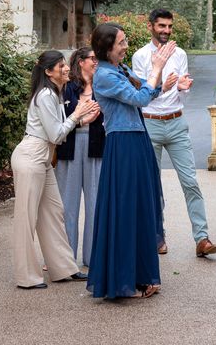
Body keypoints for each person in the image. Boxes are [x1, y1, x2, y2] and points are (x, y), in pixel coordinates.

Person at [86, 22, 175, 299]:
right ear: (107, 47)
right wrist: (157, 69)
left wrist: (165, 82)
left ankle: (139, 274)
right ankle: (125, 278)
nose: (125, 46)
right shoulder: (104, 76)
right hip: (123, 144)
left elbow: (146, 91)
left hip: (136, 140)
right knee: (126, 209)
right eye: (121, 42)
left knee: (140, 206)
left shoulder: (119, 70)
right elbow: (139, 99)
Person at [132, 9, 216, 257]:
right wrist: (162, 82)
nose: (166, 31)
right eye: (161, 26)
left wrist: (183, 86)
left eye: (169, 26)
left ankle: (202, 239)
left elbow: (182, 88)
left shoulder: (180, 54)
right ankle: (157, 237)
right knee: (152, 184)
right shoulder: (140, 56)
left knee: (190, 181)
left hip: (177, 122)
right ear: (150, 27)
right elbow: (141, 95)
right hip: (150, 123)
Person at [11, 50, 99, 289]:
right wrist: (78, 114)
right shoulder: (46, 95)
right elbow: (57, 134)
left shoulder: (55, 93)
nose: (66, 68)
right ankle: (26, 277)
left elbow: (58, 128)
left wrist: (80, 120)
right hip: (31, 157)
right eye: (61, 66)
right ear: (49, 72)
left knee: (54, 212)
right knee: (27, 219)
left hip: (42, 157)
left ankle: (64, 268)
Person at [55, 47, 104, 268]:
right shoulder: (67, 89)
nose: (96, 62)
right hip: (70, 147)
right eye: (93, 59)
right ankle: (65, 257)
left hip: (97, 147)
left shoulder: (103, 87)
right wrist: (83, 118)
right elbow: (59, 119)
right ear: (81, 62)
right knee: (68, 204)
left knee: (95, 203)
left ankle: (94, 257)